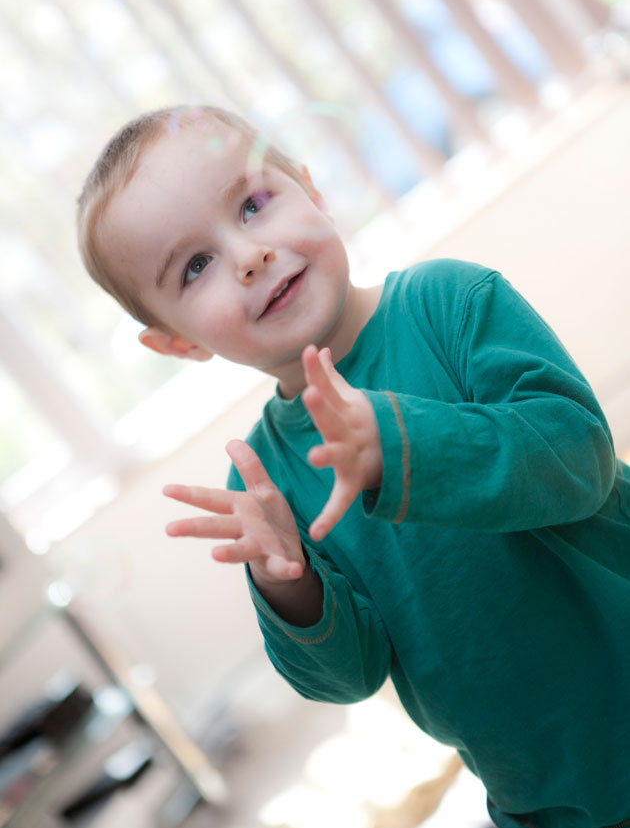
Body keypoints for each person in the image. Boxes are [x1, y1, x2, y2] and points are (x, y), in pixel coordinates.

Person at [78, 104, 630, 828]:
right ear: (179, 343)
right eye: (196, 265)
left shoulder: (451, 303)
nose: (247, 254)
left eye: (252, 204)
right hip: (544, 796)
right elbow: (348, 673)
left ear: (312, 189)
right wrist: (293, 586)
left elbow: (576, 458)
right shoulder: (265, 483)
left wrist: (398, 448)